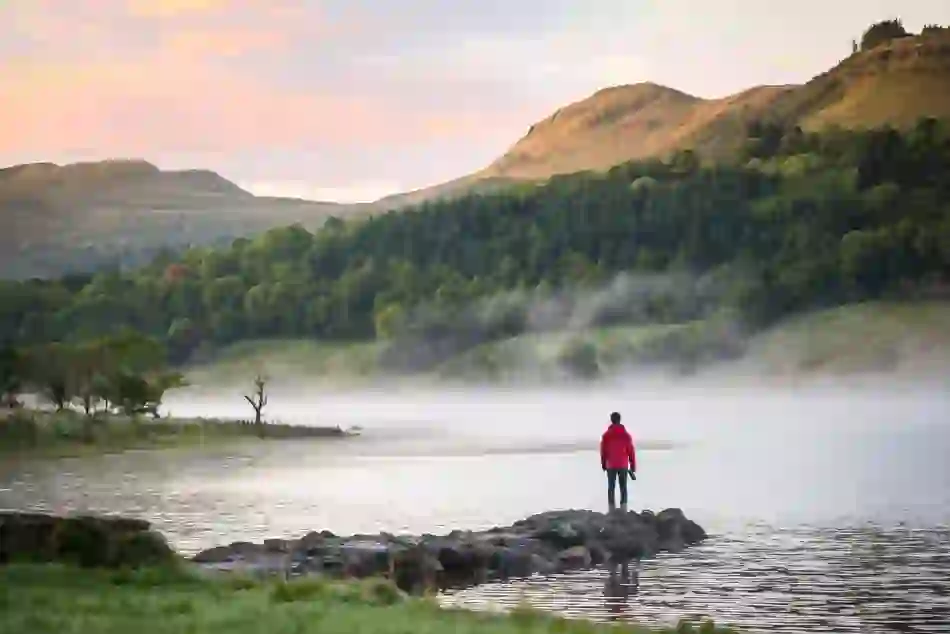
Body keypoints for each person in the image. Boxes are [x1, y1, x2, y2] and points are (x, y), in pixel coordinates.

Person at [600, 411, 636, 512]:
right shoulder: (626, 435)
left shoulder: (606, 436)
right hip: (623, 464)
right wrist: (633, 466)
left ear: (611, 420)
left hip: (610, 465)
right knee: (623, 487)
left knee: (611, 487)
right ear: (620, 420)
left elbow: (603, 451)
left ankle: (611, 509)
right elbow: (631, 451)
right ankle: (623, 509)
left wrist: (603, 464)